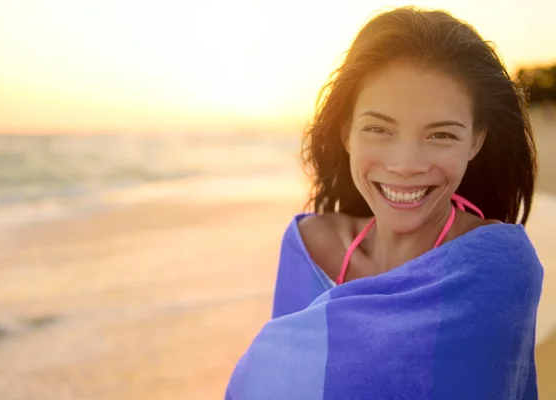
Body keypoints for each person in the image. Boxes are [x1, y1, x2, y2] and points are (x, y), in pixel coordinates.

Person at [225, 6, 543, 400]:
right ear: (347, 133)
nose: (405, 165)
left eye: (440, 135)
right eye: (378, 129)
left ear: (476, 140)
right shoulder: (308, 248)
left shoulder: (499, 268)